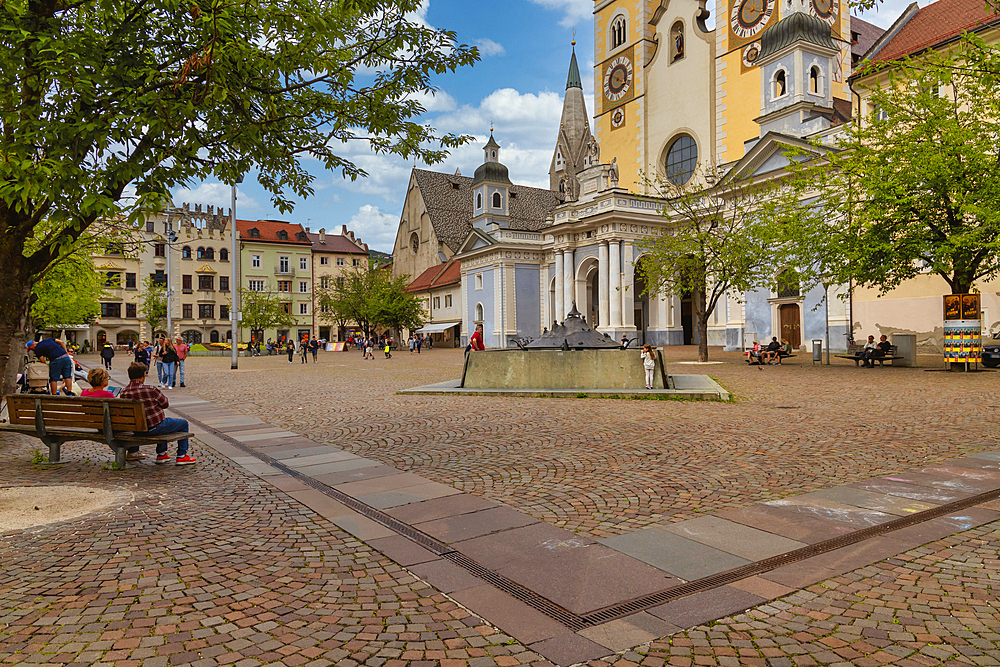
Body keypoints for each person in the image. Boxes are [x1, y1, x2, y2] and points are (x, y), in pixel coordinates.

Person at [120, 362, 196, 465]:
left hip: (137, 429)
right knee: (182, 423)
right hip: (154, 428)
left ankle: (162, 454)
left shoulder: (124, 392)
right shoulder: (151, 390)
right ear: (143, 375)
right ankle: (181, 456)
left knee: (162, 422)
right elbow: (165, 404)